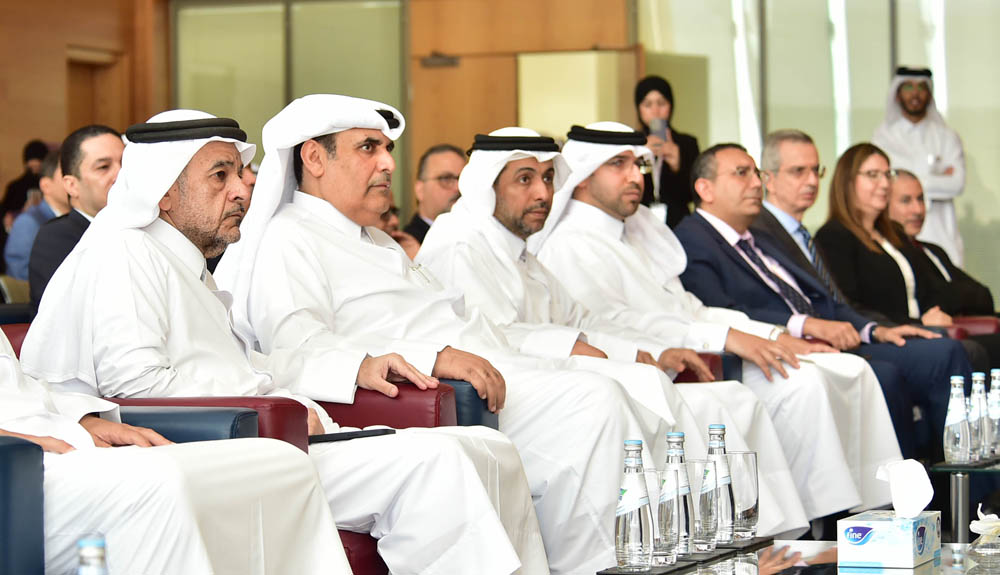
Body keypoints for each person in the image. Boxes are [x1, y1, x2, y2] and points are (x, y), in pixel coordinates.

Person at [21, 109, 544, 575]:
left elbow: (244, 362)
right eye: (219, 177)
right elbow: (135, 385)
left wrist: (353, 367)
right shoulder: (127, 254)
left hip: (260, 432)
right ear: (162, 192)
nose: (242, 190)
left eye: (239, 174)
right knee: (437, 464)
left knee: (484, 447)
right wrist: (273, 404)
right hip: (221, 445)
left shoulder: (183, 261)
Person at [214, 94, 671, 574]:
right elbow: (297, 350)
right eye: (368, 148)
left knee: (623, 386)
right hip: (433, 394)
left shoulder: (378, 239)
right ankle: (593, 566)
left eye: (387, 148)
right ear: (313, 158)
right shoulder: (289, 239)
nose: (388, 162)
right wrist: (433, 356)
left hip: (486, 368)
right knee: (593, 399)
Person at [417, 126, 818, 536]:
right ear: (488, 186)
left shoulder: (519, 251)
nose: (542, 193)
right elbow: (487, 339)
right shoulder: (461, 243)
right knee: (628, 388)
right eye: (525, 179)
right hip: (508, 389)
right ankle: (677, 538)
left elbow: (584, 320)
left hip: (550, 370)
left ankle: (749, 536)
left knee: (707, 395)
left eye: (549, 178)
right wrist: (581, 349)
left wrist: (640, 352)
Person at [532, 122, 902, 528]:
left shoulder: (636, 235)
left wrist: (771, 335)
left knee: (851, 368)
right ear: (583, 177)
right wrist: (729, 337)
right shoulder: (570, 244)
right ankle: (817, 524)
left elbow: (689, 308)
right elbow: (619, 325)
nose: (637, 175)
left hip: (695, 351)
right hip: (660, 368)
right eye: (618, 165)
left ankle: (875, 512)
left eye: (638, 164)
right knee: (801, 384)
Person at [672, 143, 972, 463]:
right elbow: (722, 310)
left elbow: (824, 300)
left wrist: (875, 330)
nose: (757, 183)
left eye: (756, 174)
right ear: (705, 188)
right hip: (779, 346)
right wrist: (805, 325)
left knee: (944, 349)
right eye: (742, 174)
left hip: (828, 335)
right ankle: (903, 500)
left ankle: (961, 492)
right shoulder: (692, 238)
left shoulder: (759, 239)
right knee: (892, 372)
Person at [0, 327, 349, 574]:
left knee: (282, 461)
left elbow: (19, 389)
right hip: (17, 470)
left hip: (62, 446)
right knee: (157, 481)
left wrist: (87, 420)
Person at [813, 144, 1000, 370]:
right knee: (969, 350)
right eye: (873, 175)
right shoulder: (834, 236)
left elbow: (933, 289)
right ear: (847, 182)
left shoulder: (892, 233)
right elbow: (851, 306)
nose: (884, 184)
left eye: (887, 174)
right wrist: (918, 322)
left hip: (921, 329)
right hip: (885, 334)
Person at [873, 67, 966, 265]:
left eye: (922, 87)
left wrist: (905, 177)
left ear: (930, 94)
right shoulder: (883, 137)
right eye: (908, 87)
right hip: (898, 234)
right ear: (897, 94)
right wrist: (937, 176)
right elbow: (884, 182)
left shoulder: (946, 136)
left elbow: (957, 184)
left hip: (942, 234)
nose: (915, 93)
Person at [28, 125, 123, 311]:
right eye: (104, 167)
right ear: (72, 186)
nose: (121, 175)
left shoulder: (146, 227)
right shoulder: (56, 237)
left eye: (126, 164)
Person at [888, 169, 994, 316]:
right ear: (883, 206)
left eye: (920, 199)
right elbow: (934, 301)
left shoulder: (933, 251)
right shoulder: (889, 255)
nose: (918, 210)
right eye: (906, 201)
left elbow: (985, 296)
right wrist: (956, 294)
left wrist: (952, 295)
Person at [634, 75, 700, 228]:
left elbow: (694, 195)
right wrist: (640, 155)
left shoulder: (686, 143)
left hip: (678, 224)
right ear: (639, 108)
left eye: (661, 103)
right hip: (639, 224)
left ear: (671, 106)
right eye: (648, 104)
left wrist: (678, 164)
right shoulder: (632, 145)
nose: (655, 111)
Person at [5, 149, 68, 280]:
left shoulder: (75, 219)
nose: (73, 181)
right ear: (45, 185)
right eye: (66, 175)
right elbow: (21, 275)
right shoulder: (29, 222)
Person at [404, 143, 465, 242]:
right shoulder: (408, 245)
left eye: (462, 179)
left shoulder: (474, 234)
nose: (458, 187)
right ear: (420, 190)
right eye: (446, 178)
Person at [2, 139, 49, 228]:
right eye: (32, 167)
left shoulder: (50, 186)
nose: (35, 170)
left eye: (38, 166)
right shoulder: (15, 188)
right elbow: (5, 217)